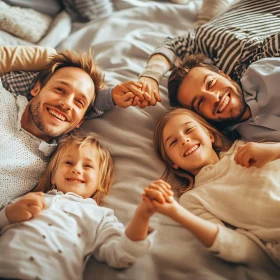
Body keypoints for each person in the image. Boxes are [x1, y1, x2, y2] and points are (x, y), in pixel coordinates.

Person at [0, 48, 145, 208]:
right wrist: (49, 55)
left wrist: (109, 98)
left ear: (79, 122)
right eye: (60, 89)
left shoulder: (51, 169)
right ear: (36, 88)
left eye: (79, 102)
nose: (67, 104)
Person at [0, 133, 157, 280]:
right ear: (53, 175)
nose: (76, 169)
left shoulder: (100, 215)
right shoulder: (29, 198)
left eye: (88, 166)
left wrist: (142, 216)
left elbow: (121, 254)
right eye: (68, 162)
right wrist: (8, 215)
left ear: (100, 182)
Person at [146, 108, 280, 268]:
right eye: (173, 142)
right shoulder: (194, 199)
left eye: (189, 129)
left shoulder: (245, 146)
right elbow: (236, 246)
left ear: (210, 136)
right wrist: (175, 212)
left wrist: (275, 149)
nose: (184, 140)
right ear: (173, 163)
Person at [138, 0, 280, 107]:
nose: (214, 97)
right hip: (249, 14)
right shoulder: (222, 40)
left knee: (204, 26)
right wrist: (150, 76)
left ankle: (204, 21)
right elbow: (173, 46)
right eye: (200, 102)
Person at [168, 54, 280, 142]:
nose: (214, 97)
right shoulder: (243, 145)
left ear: (224, 75)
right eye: (200, 102)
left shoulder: (263, 72)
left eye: (210, 83)